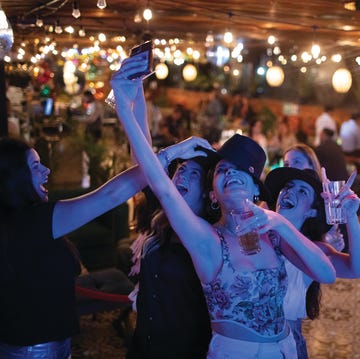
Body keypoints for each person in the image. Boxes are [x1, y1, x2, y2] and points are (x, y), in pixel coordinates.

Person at [111, 69, 336, 358]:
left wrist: (279, 223)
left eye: (241, 170)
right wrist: (124, 108)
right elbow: (161, 186)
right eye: (222, 170)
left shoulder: (272, 235)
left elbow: (326, 273)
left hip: (284, 349)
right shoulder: (206, 238)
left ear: (256, 188)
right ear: (213, 194)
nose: (232, 173)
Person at [0, 54, 193, 359]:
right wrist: (171, 154)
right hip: (33, 348)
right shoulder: (30, 222)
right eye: (35, 167)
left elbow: (138, 167)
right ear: (14, 178)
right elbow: (111, 195)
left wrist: (136, 94)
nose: (47, 171)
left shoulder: (18, 221)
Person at [265, 167, 360, 359]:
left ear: (310, 212)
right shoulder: (252, 237)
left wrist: (350, 217)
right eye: (288, 186)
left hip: (285, 346)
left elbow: (355, 269)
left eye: (302, 191)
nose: (290, 191)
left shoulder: (314, 251)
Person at [126, 156, 213, 359]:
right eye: (181, 169)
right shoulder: (161, 224)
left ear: (205, 193)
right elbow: (141, 163)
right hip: (144, 344)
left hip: (183, 349)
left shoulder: (207, 236)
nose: (183, 174)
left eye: (194, 174)